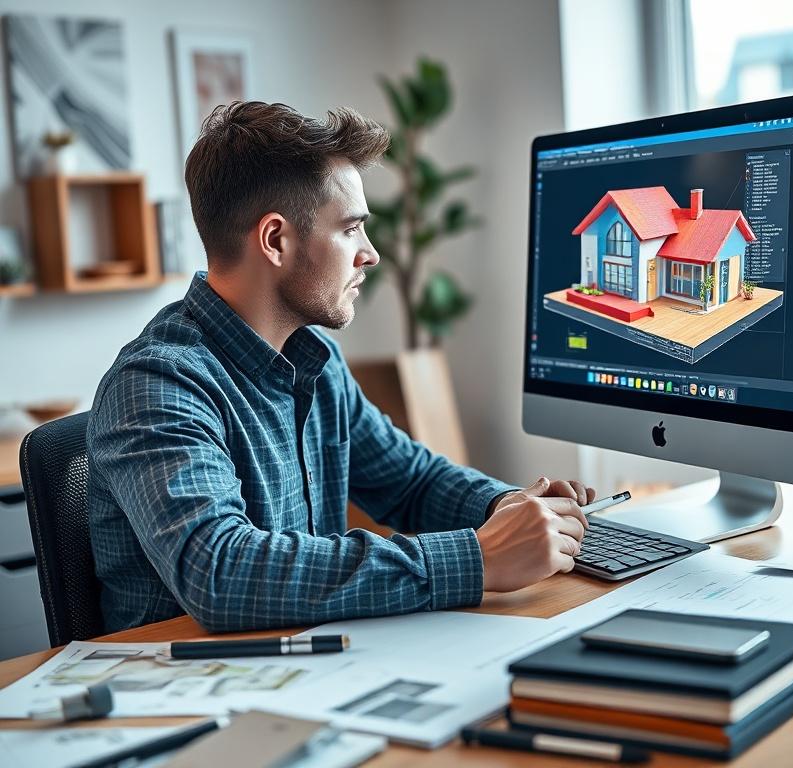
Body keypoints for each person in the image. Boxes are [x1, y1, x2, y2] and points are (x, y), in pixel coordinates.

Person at [87, 101, 594, 634]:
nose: (371, 254)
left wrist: (509, 507)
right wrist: (477, 558)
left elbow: (411, 482)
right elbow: (221, 572)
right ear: (275, 240)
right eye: (351, 229)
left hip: (311, 665)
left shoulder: (314, 359)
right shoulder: (157, 384)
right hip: (183, 692)